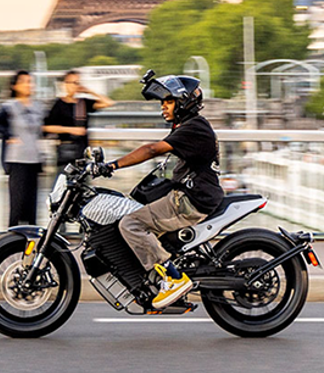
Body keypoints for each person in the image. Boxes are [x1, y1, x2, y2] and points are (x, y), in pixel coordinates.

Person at [99, 72, 224, 309]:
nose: (163, 108)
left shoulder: (194, 128)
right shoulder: (190, 126)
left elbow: (152, 149)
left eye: (168, 101)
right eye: (161, 103)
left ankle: (173, 278)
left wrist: (112, 165)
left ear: (183, 100)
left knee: (131, 224)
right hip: (191, 196)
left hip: (190, 201)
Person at [0, 71, 59, 229]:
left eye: (30, 82)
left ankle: (30, 243)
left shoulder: (38, 107)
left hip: (35, 159)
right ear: (15, 86)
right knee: (18, 204)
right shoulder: (9, 107)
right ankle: (11, 241)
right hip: (17, 159)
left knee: (32, 204)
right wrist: (9, 135)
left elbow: (45, 127)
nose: (29, 85)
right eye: (25, 82)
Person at [44, 70, 114, 169]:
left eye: (77, 83)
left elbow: (108, 102)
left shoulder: (83, 103)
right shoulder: (58, 104)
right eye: (73, 83)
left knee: (83, 180)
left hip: (82, 150)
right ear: (65, 84)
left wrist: (89, 91)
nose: (75, 86)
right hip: (66, 150)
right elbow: (47, 127)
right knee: (64, 180)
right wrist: (70, 130)